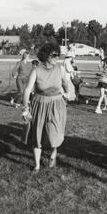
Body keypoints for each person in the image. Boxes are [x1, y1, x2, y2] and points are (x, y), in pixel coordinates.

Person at [22, 43, 74, 171]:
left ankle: (53, 152)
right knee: (37, 134)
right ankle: (37, 165)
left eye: (58, 55)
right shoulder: (36, 70)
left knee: (54, 134)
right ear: (45, 56)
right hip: (39, 103)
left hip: (56, 104)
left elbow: (65, 83)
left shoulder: (59, 68)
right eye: (54, 55)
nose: (57, 57)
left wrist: (68, 93)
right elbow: (27, 90)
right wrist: (25, 109)